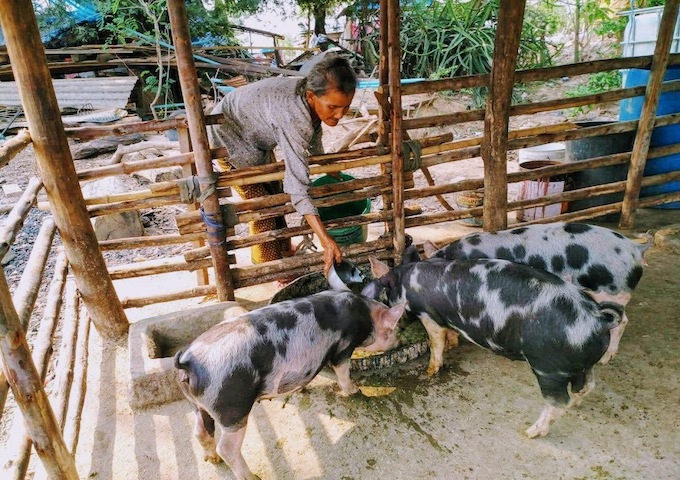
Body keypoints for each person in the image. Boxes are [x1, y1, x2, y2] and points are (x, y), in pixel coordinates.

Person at [208, 54, 357, 278]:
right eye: (333, 107)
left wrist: (326, 165)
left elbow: (314, 132)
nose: (339, 115)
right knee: (262, 207)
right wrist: (326, 240)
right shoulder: (292, 114)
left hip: (254, 136)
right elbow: (298, 188)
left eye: (346, 107)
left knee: (275, 194)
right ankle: (271, 269)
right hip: (227, 138)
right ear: (311, 96)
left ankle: (285, 249)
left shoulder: (310, 101)